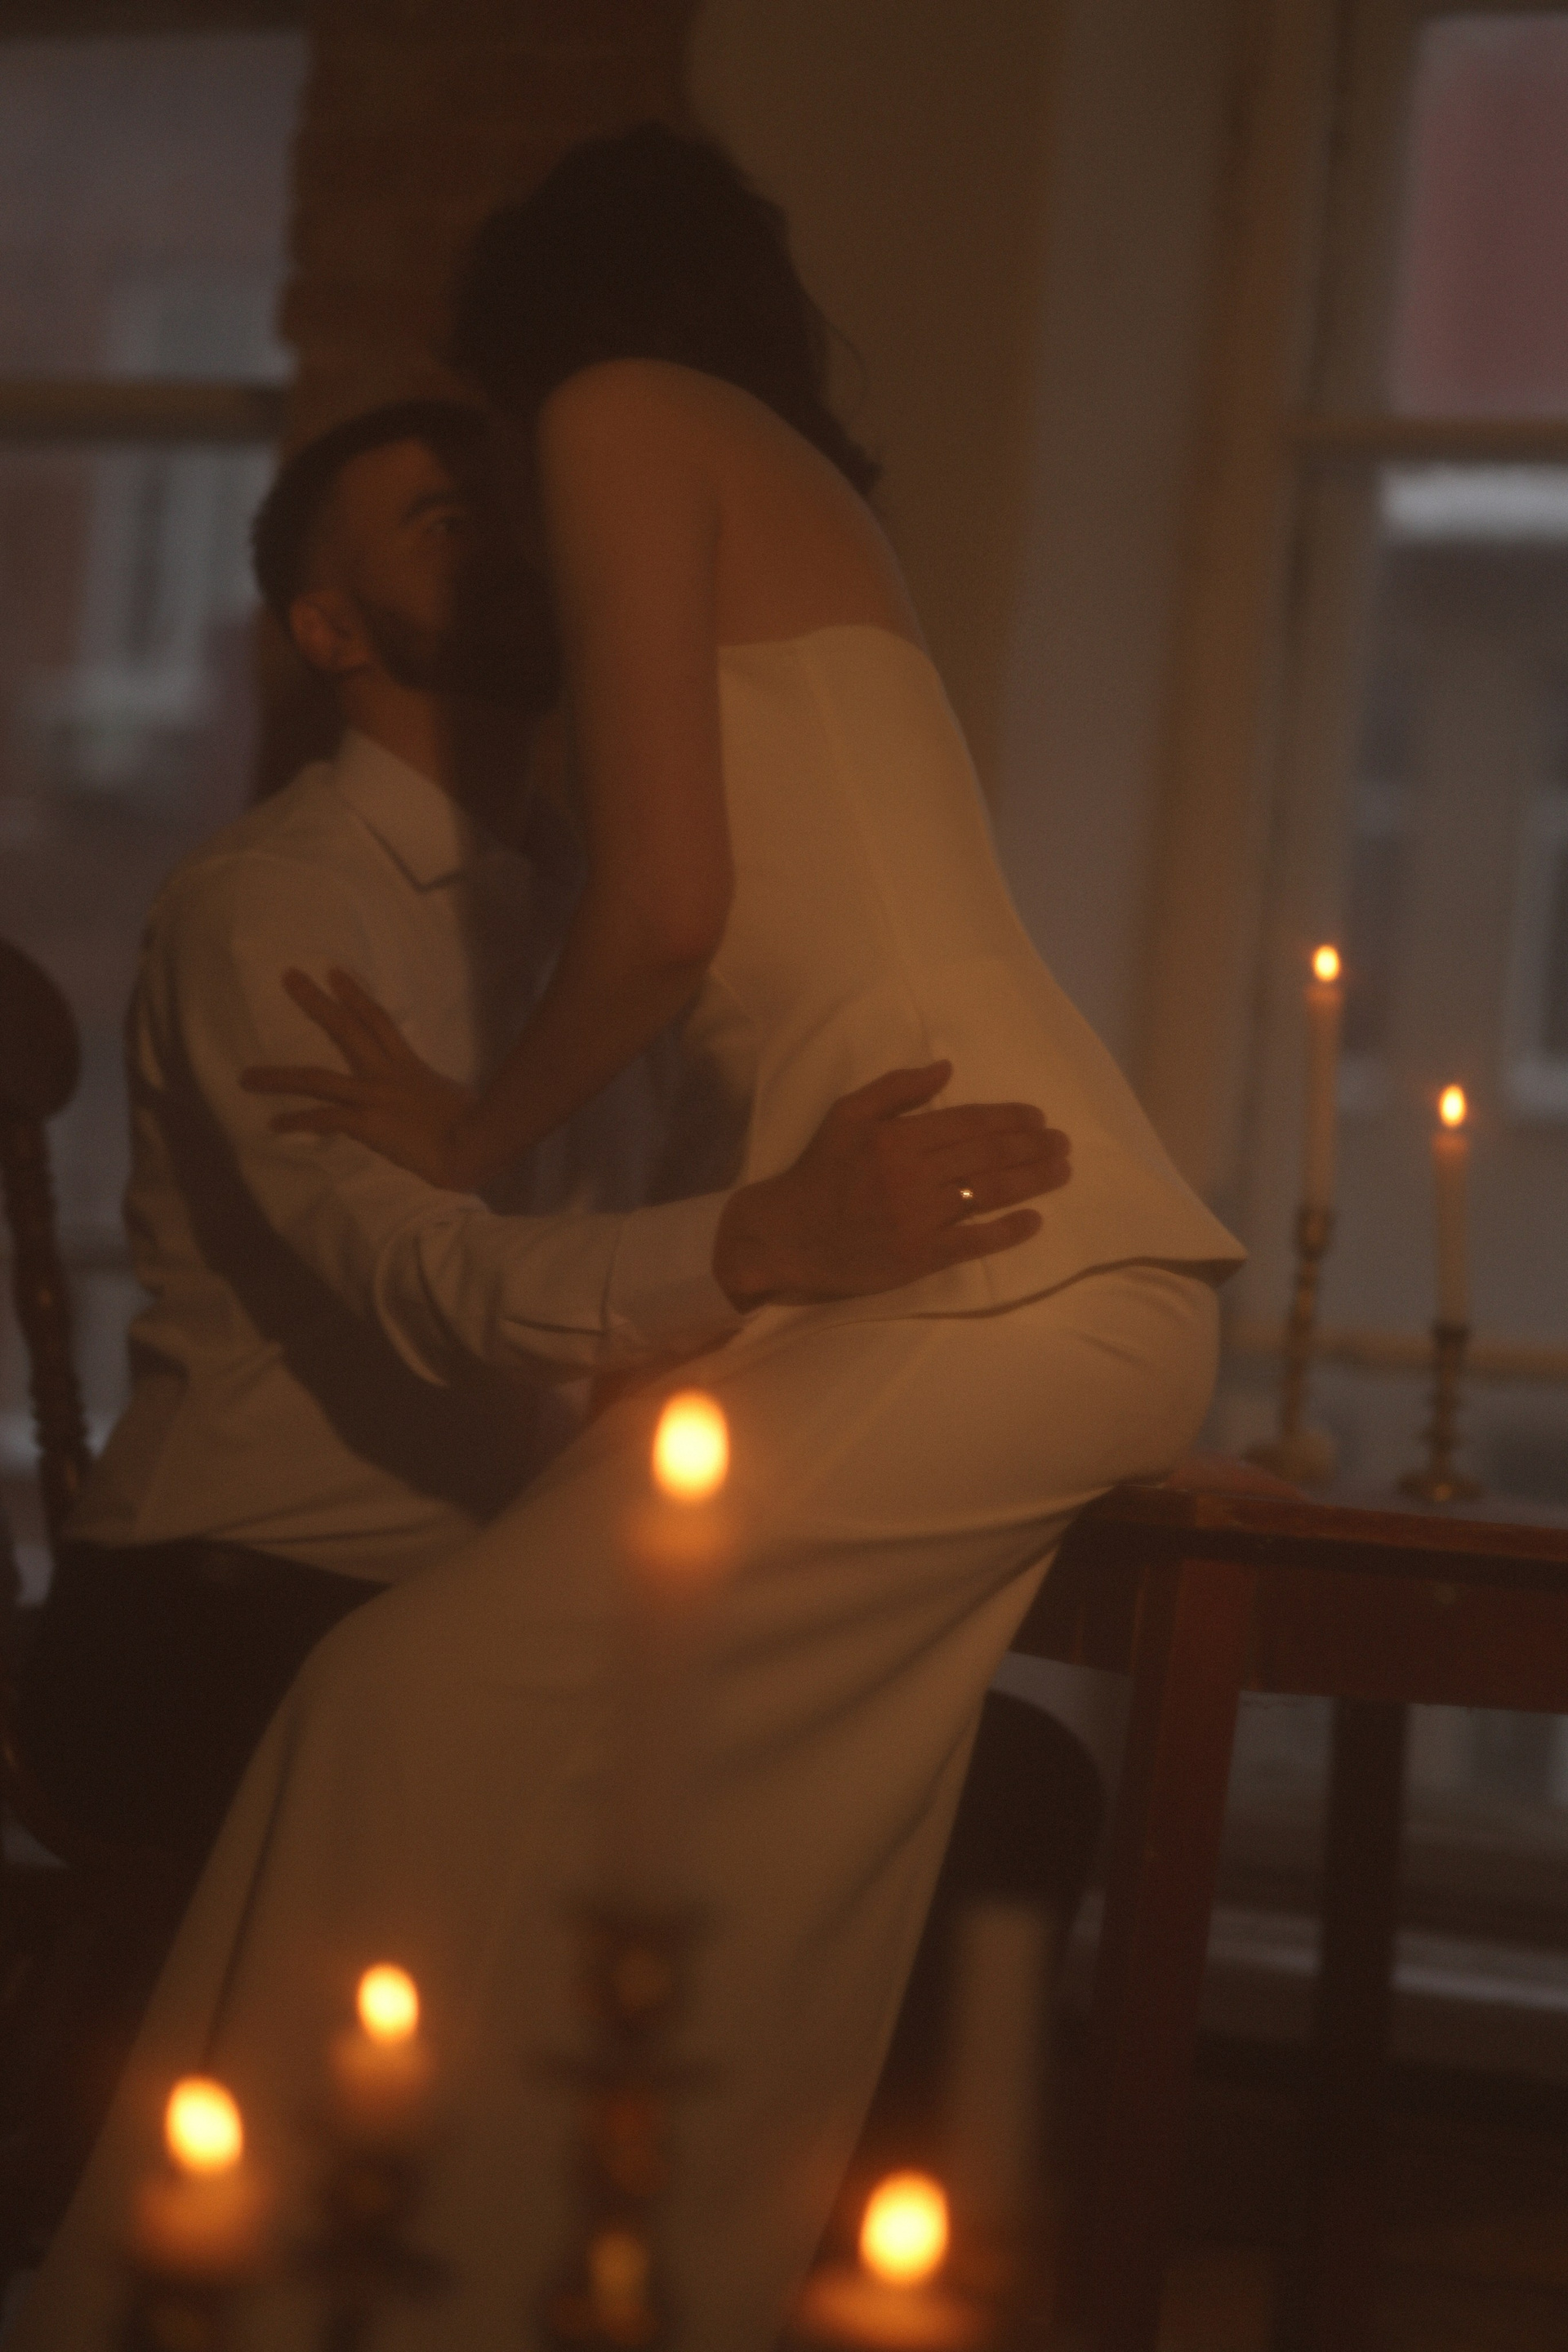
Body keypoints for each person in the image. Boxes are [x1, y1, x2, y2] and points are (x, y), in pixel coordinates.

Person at [13, 128, 1241, 2352]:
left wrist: (469, 1126)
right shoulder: (763, 490)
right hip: (996, 1253)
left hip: (989, 1253)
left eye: (478, 452)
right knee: (708, 1833)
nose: (495, 495)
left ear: (537, 331)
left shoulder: (614, 415)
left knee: (403, 1700)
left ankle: (238, 2304)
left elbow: (671, 920)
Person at [17, 399, 1071, 1882]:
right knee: (878, 1825)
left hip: (485, 1601)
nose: (510, 550)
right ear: (330, 630)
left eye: (513, 516)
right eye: (446, 526)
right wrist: (772, 1235)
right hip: (219, 1615)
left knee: (1006, 1785)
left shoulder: (605, 909)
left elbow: (675, 1286)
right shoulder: (273, 905)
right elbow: (436, 1288)